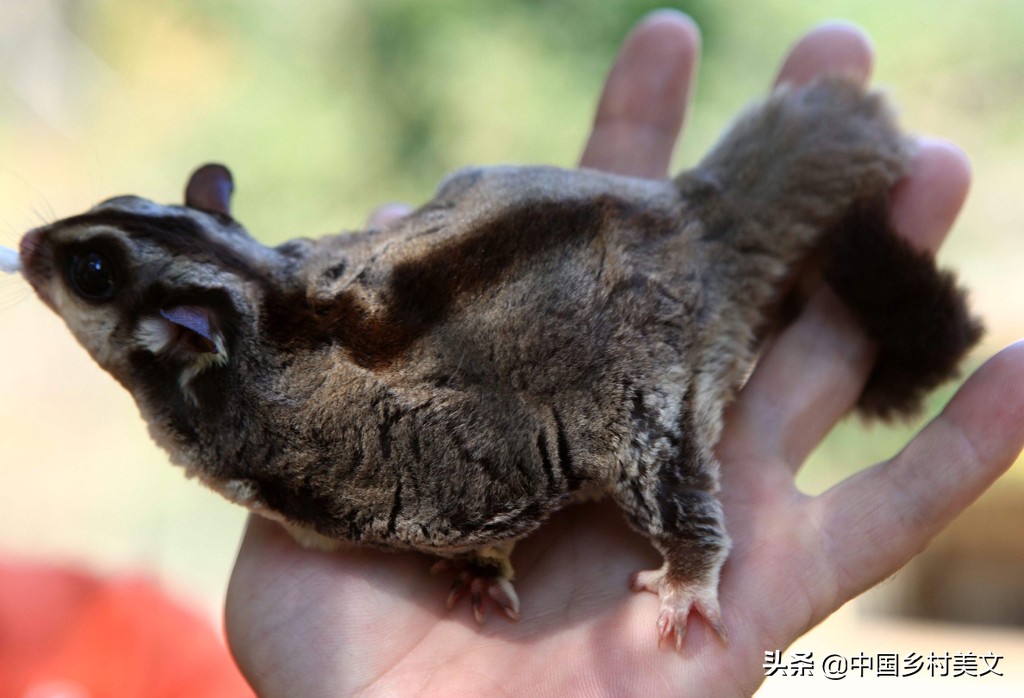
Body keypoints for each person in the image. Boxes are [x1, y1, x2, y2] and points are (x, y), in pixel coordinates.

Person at [224, 11, 1024, 696]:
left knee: (637, 425)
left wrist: (689, 562)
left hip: (625, 316)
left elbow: (641, 432)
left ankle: (688, 547)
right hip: (561, 332)